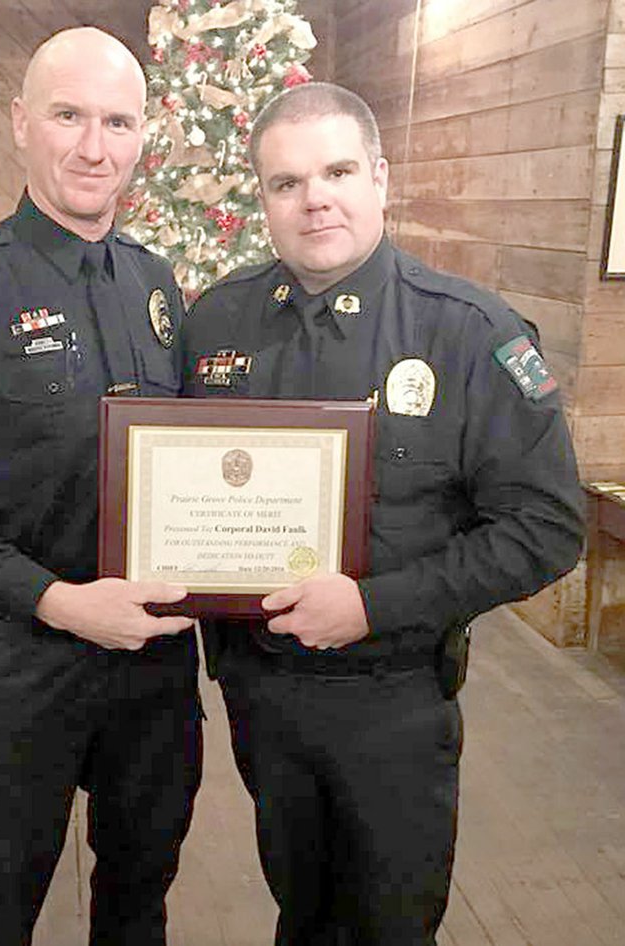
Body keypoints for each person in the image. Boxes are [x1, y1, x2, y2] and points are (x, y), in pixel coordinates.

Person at [181, 82, 585, 945]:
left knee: (391, 923)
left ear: (381, 179)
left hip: (394, 701)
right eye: (286, 182)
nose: (314, 197)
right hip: (265, 696)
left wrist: (372, 605)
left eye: (336, 170)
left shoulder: (470, 334)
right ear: (263, 199)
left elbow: (547, 528)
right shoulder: (217, 321)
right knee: (300, 906)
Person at [0, 27, 201, 946]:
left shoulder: (156, 286)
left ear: (143, 135)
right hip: (18, 663)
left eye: (118, 121)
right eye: (68, 115)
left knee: (141, 891)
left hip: (150, 663)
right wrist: (58, 603)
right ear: (22, 123)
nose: (94, 147)